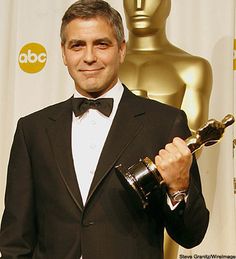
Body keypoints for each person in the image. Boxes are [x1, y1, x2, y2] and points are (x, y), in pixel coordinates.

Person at [0, 0, 209, 258]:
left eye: (102, 44)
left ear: (121, 50)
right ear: (63, 53)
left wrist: (179, 187)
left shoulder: (165, 122)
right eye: (77, 45)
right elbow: (14, 240)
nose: (89, 57)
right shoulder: (32, 129)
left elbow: (191, 235)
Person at [120, 0, 212, 135]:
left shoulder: (192, 68)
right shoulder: (101, 64)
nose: (139, 5)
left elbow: (193, 143)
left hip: (163, 155)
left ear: (167, 4)